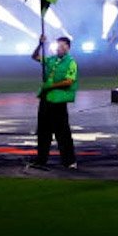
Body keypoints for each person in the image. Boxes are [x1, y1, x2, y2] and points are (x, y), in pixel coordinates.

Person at [31, 35, 77, 170]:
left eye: (63, 46)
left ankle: (69, 161)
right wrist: (40, 44)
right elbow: (35, 57)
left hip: (58, 100)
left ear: (68, 48)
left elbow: (69, 81)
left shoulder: (71, 62)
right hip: (46, 99)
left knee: (62, 132)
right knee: (43, 131)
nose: (59, 48)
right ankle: (41, 159)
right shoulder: (51, 59)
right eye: (58, 45)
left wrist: (51, 85)